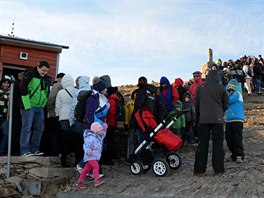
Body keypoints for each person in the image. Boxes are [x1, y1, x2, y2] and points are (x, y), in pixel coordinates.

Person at [193, 70, 229, 176]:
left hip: (203, 120)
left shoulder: (200, 88)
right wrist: (220, 112)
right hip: (217, 120)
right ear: (217, 77)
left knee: (202, 144)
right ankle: (219, 170)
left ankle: (199, 170)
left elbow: (196, 105)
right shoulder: (222, 88)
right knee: (218, 145)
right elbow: (226, 104)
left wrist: (201, 115)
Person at [75, 77, 109, 175]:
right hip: (91, 129)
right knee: (92, 150)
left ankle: (91, 171)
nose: (106, 90)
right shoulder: (92, 99)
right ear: (100, 89)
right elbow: (90, 115)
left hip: (97, 128)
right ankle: (81, 165)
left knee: (96, 150)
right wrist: (100, 125)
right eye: (105, 88)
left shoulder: (98, 98)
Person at [19, 61, 51, 156]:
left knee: (39, 129)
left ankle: (34, 149)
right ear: (38, 67)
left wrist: (43, 104)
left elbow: (46, 92)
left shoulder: (46, 79)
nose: (44, 72)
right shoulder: (30, 74)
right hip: (29, 106)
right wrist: (27, 105)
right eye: (43, 70)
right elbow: (23, 89)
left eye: (46, 71)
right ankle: (24, 150)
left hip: (39, 107)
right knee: (26, 128)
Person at [75, 122, 106, 189]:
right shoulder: (90, 138)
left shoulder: (98, 137)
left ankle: (80, 182)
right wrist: (89, 151)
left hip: (94, 156)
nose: (102, 131)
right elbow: (86, 146)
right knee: (96, 166)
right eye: (101, 130)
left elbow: (103, 135)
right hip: (90, 156)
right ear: (96, 131)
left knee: (86, 170)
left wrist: (105, 129)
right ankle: (97, 179)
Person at [225, 79, 245, 163]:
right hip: (229, 120)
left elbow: (229, 101)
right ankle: (234, 155)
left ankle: (239, 155)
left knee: (237, 138)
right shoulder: (230, 94)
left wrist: (227, 95)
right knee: (229, 138)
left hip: (237, 119)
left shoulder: (238, 94)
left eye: (231, 89)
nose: (230, 91)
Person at [0, 76, 12, 156]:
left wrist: (10, 101)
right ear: (1, 83)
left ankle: (1, 150)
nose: (6, 84)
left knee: (7, 133)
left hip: (5, 118)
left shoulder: (10, 94)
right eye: (4, 82)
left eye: (8, 83)